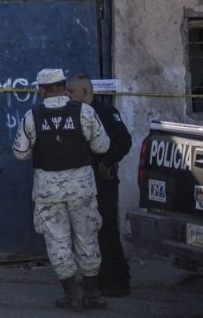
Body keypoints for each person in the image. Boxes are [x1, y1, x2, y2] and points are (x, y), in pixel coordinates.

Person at [13, 69, 111, 311]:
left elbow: (20, 153)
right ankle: (92, 295)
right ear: (64, 86)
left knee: (57, 241)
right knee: (87, 238)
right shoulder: (85, 111)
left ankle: (71, 297)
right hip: (82, 188)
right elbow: (102, 145)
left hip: (49, 192)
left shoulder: (31, 115)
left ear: (41, 90)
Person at [67, 75, 133, 297]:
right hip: (84, 182)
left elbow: (124, 141)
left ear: (85, 93)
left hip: (103, 182)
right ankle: (100, 280)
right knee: (90, 232)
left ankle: (119, 281)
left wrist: (106, 163)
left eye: (72, 92)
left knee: (107, 231)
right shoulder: (75, 115)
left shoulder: (104, 112)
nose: (68, 96)